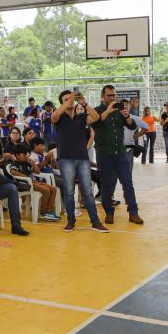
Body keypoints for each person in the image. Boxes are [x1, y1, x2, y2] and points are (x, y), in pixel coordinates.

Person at [52, 90, 107, 233]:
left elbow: (96, 117)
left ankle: (95, 222)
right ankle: (71, 222)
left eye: (70, 98)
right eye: (65, 99)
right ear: (62, 102)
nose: (69, 101)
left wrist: (84, 103)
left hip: (82, 158)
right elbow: (54, 116)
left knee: (87, 191)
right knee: (69, 191)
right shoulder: (59, 117)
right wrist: (69, 101)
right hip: (65, 159)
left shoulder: (81, 117)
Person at [91, 85, 143, 225]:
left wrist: (127, 117)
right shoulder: (97, 110)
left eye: (114, 95)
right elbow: (96, 123)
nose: (112, 98)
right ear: (103, 96)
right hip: (104, 154)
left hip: (120, 153)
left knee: (127, 183)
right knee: (106, 185)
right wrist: (108, 110)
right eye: (109, 95)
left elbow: (132, 127)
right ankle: (109, 212)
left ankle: (133, 212)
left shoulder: (121, 110)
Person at [5, 143, 60, 222]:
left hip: (34, 182)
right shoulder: (15, 164)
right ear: (17, 155)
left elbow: (37, 171)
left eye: (26, 154)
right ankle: (43, 212)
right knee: (46, 190)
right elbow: (13, 172)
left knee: (53, 189)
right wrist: (27, 178)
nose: (26, 156)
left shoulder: (27, 163)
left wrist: (32, 163)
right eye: (23, 154)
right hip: (26, 184)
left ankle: (50, 211)